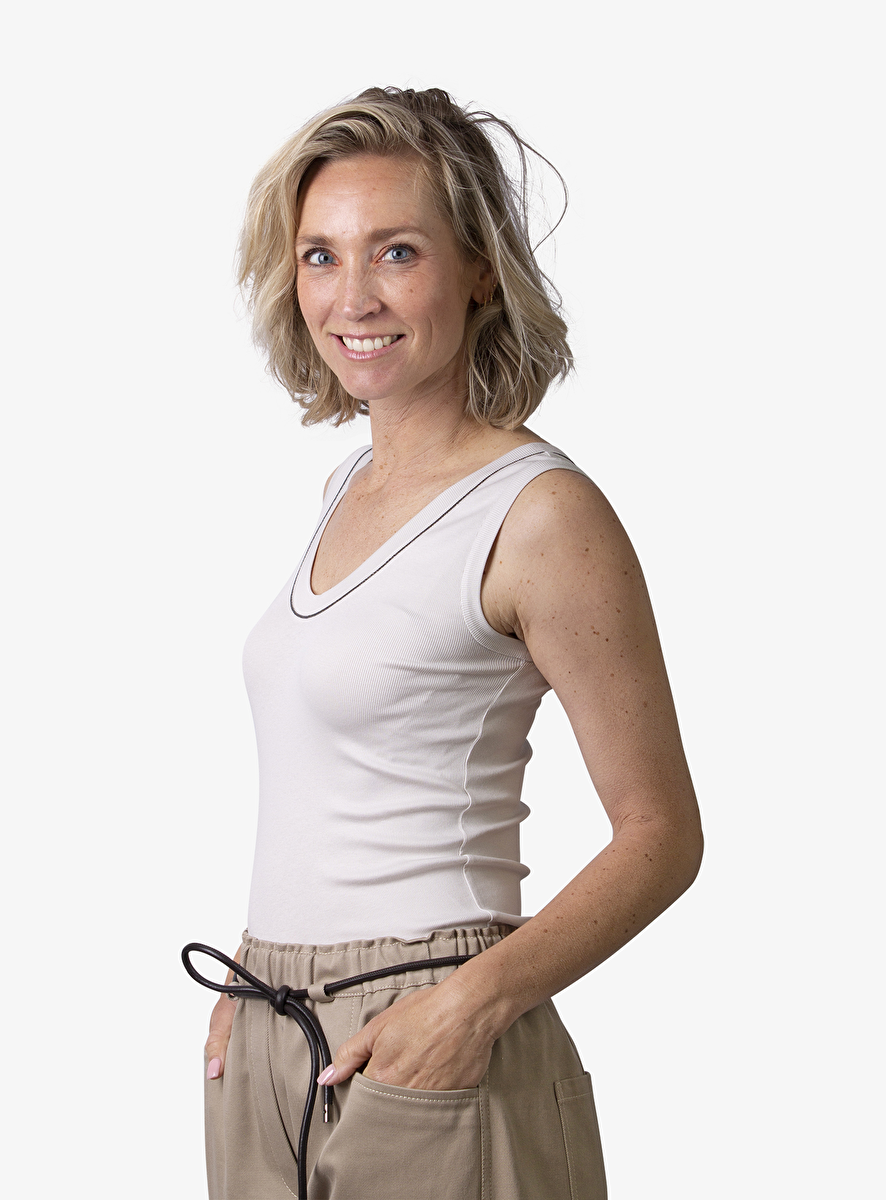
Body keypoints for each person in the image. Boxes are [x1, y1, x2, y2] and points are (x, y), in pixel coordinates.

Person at [198, 86, 703, 1200]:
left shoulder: (541, 512)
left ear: (478, 268)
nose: (353, 296)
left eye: (397, 251)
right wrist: (254, 967)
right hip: (271, 1022)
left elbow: (661, 834)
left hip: (432, 1015)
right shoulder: (343, 489)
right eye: (321, 256)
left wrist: (473, 1003)